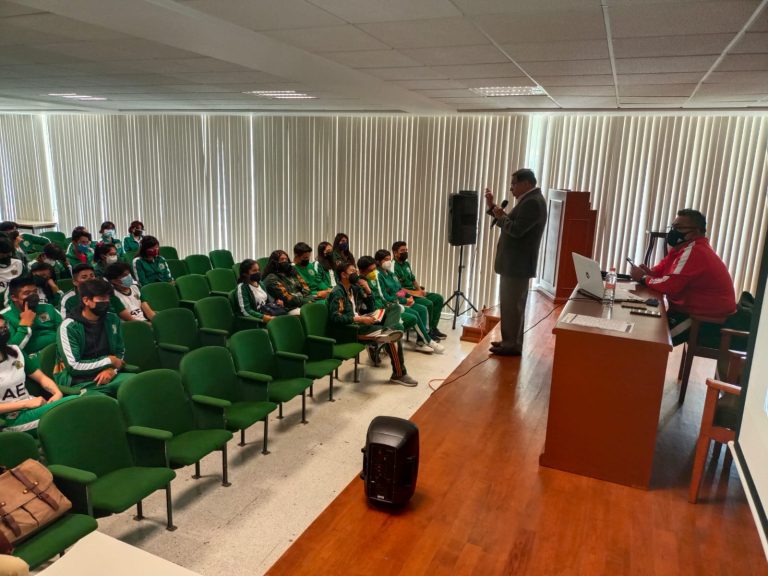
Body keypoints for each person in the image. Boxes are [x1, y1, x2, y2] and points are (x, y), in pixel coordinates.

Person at [630, 208, 736, 345]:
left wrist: (643, 278)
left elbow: (670, 285)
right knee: (644, 328)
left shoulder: (695, 251)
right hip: (688, 310)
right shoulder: (681, 250)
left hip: (705, 318)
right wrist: (649, 273)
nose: (673, 232)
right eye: (673, 227)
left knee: (654, 342)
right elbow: (663, 272)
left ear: (696, 232)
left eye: (679, 228)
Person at [484, 168, 547, 356]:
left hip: (517, 264)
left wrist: (501, 217)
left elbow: (516, 230)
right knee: (510, 305)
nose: (511, 188)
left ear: (526, 184)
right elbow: (509, 220)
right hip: (515, 264)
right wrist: (492, 206)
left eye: (514, 184)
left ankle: (511, 345)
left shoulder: (532, 203)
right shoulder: (529, 200)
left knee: (513, 306)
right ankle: (509, 341)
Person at [327, 262, 416, 387]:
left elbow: (371, 306)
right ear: (343, 275)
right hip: (350, 330)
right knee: (393, 337)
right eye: (352, 272)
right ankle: (399, 374)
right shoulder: (338, 292)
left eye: (356, 271)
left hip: (360, 321)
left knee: (394, 308)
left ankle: (387, 330)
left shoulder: (354, 288)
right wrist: (359, 319)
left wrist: (368, 291)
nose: (356, 274)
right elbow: (335, 318)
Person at [0, 316, 75, 436]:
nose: (3, 332)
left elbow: (41, 377)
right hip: (13, 419)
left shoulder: (15, 351)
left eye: (4, 327)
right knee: (73, 406)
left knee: (77, 405)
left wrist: (57, 393)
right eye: (0, 329)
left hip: (34, 406)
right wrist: (25, 404)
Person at [56, 279, 131, 396]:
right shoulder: (69, 326)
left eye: (107, 298)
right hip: (78, 381)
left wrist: (112, 370)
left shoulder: (112, 319)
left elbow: (119, 351)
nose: (106, 302)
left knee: (137, 384)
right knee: (102, 403)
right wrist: (109, 361)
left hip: (108, 374)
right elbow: (73, 366)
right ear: (86, 300)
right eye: (101, 299)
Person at [373, 249, 443, 354]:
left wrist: (408, 297)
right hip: (392, 305)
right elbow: (386, 296)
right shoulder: (378, 275)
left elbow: (398, 289)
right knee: (415, 313)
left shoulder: (390, 274)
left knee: (423, 309)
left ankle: (421, 342)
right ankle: (428, 341)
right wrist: (403, 300)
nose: (388, 262)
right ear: (378, 261)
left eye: (389, 259)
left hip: (400, 301)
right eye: (385, 260)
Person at [392, 241, 447, 341]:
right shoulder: (393, 267)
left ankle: (433, 328)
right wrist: (416, 294)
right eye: (402, 251)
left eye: (406, 250)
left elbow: (413, 279)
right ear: (395, 253)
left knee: (438, 298)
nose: (405, 252)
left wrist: (420, 291)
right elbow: (398, 289)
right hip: (404, 294)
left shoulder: (406, 264)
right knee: (429, 303)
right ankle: (427, 333)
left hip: (414, 291)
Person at [1, 277, 62, 355]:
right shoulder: (4, 317)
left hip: (57, 352)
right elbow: (11, 349)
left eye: (35, 291)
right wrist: (25, 325)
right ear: (14, 297)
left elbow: (64, 332)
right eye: (27, 293)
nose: (33, 296)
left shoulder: (48, 308)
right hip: (28, 359)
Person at [0, 236, 24, 306]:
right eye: (3, 254)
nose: (6, 256)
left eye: (8, 253)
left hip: (14, 301)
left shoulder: (18, 263)